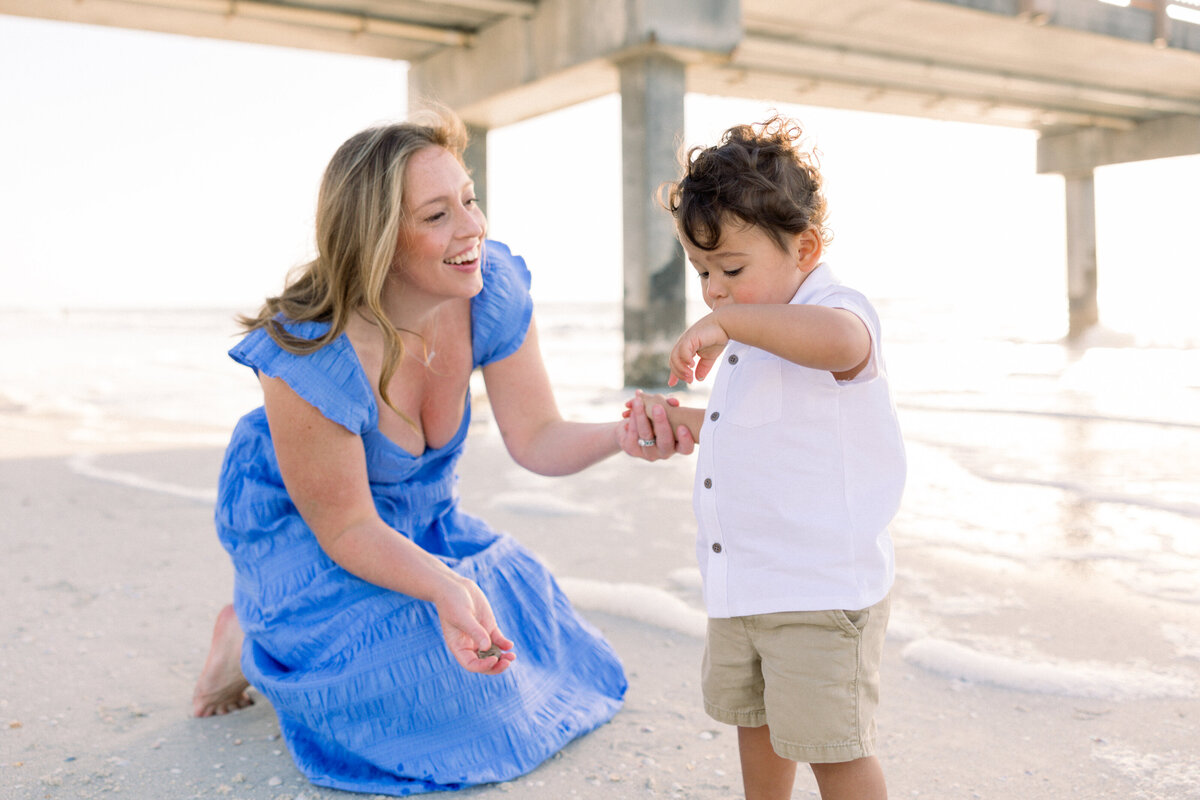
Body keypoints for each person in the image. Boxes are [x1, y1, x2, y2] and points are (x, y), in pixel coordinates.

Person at [191, 108, 693, 796]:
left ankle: (309, 632)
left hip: (426, 522)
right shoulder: (309, 349)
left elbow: (538, 438)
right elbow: (346, 527)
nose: (472, 229)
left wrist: (620, 435)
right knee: (420, 670)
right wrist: (445, 585)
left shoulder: (488, 290)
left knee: (533, 628)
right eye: (437, 216)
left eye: (470, 199)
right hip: (313, 532)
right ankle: (249, 637)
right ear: (378, 241)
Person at [629, 116, 906, 800]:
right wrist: (690, 422)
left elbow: (842, 345)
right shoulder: (757, 331)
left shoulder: (833, 309)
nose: (715, 290)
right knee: (757, 726)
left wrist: (729, 323)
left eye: (731, 269)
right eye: (702, 273)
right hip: (744, 584)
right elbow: (758, 427)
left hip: (817, 590)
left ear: (804, 246)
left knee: (831, 747)